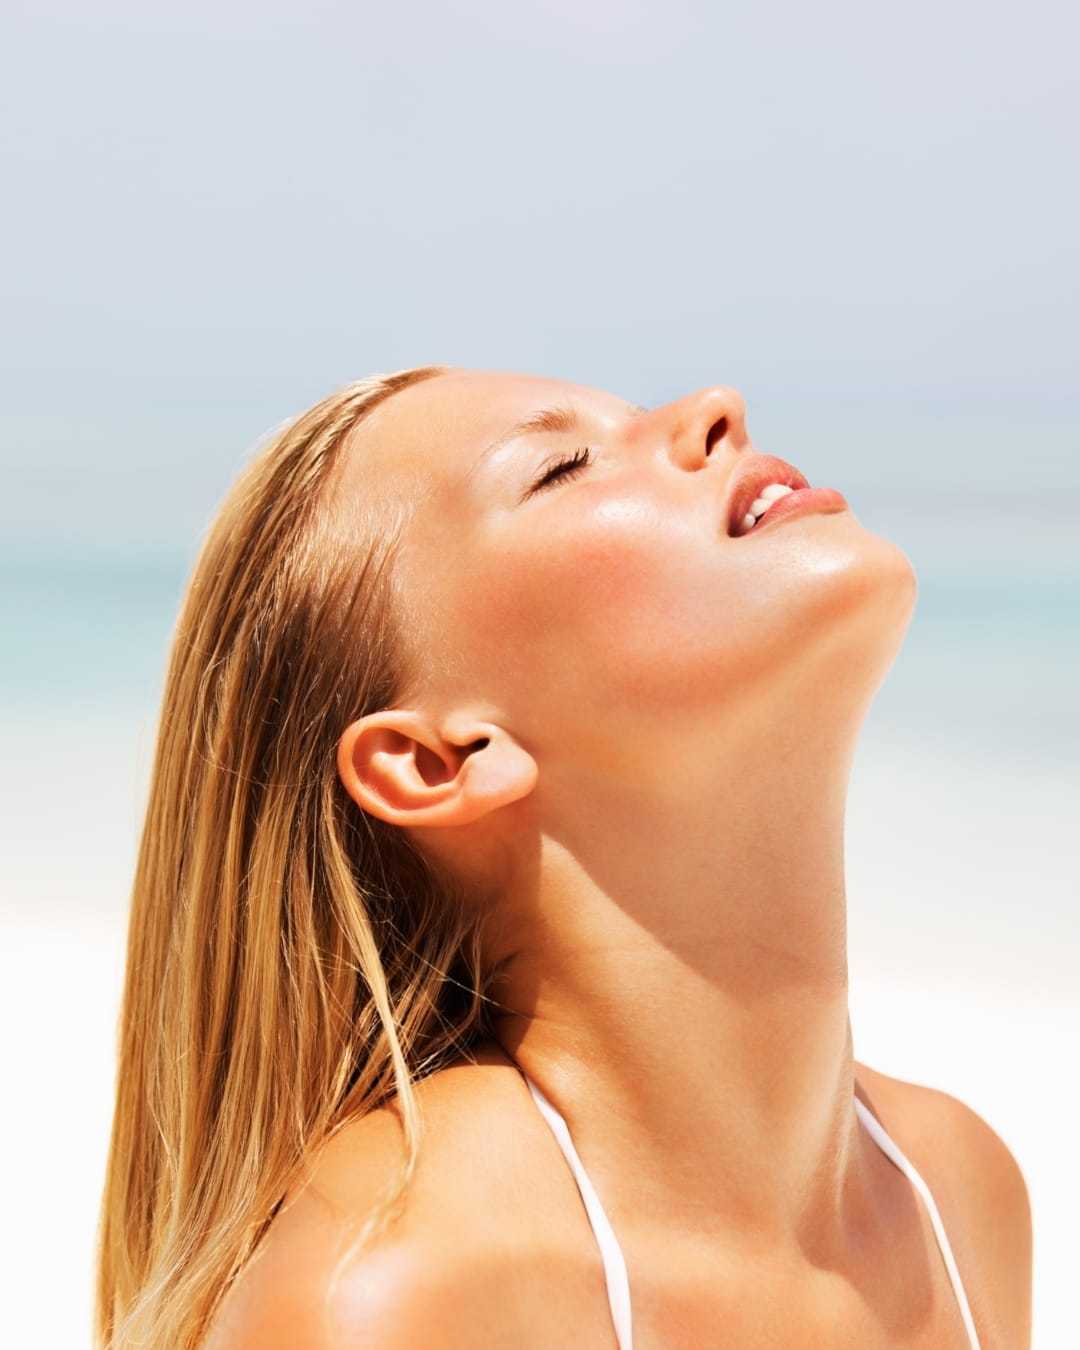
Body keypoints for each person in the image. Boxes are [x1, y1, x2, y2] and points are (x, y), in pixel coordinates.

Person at [95, 364, 1032, 1349]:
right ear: (433, 761)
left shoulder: (955, 1193)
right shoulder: (393, 1293)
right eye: (564, 466)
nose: (716, 406)